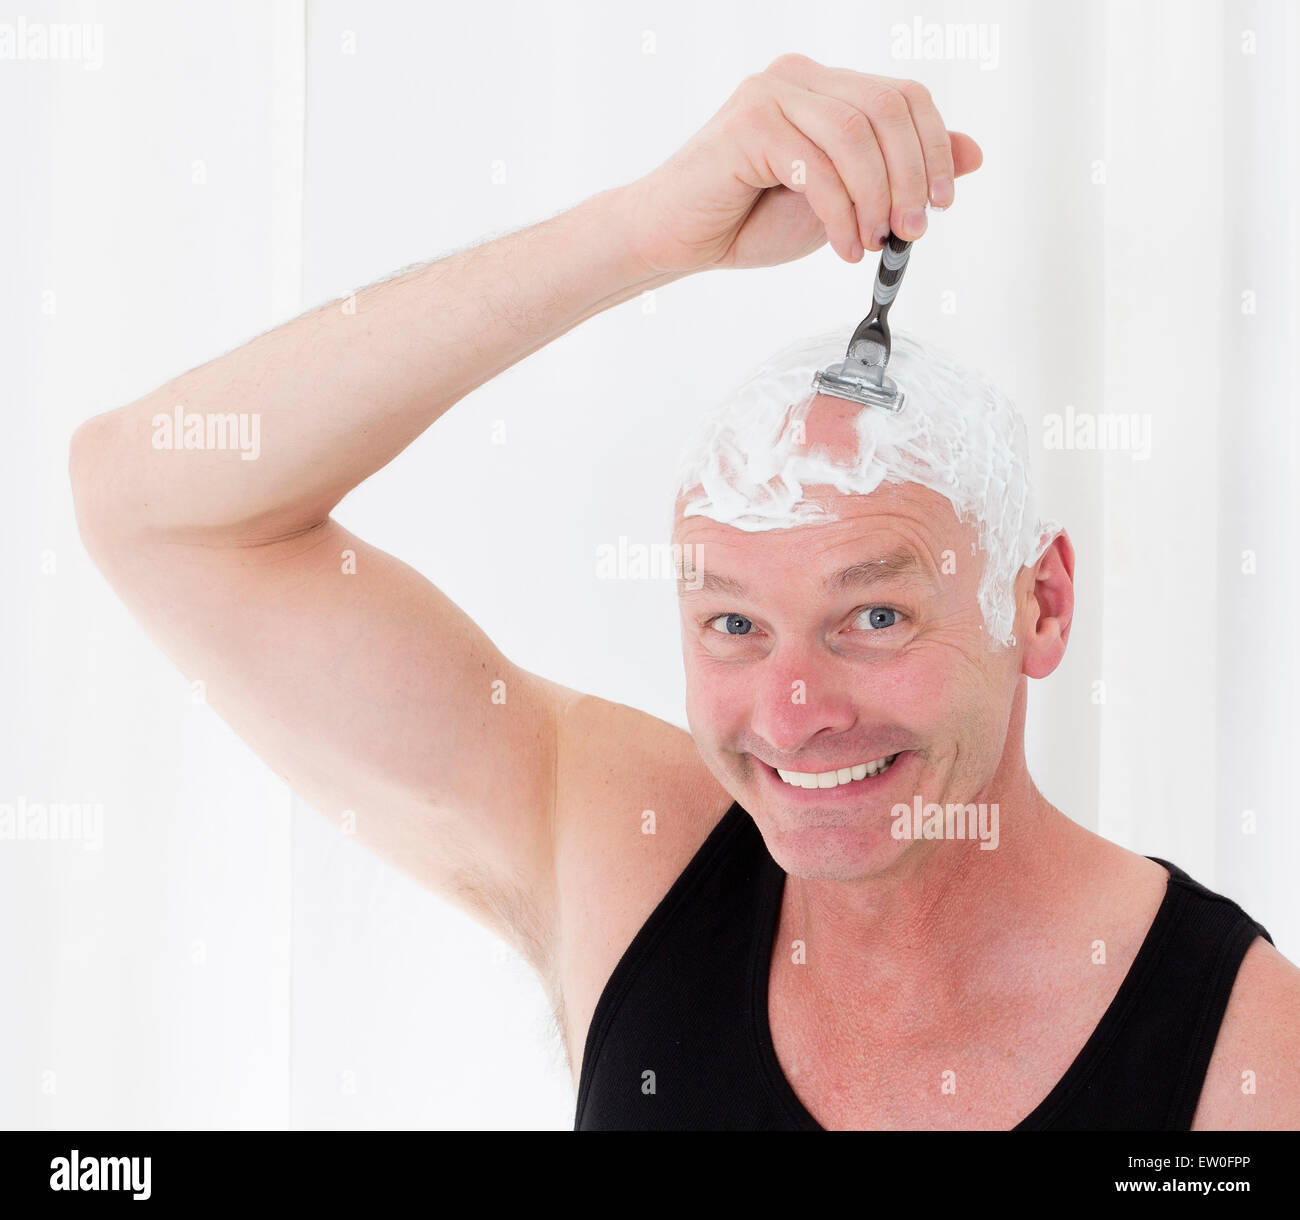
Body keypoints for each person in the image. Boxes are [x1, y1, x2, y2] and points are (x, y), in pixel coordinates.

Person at [69, 53, 1299, 1130]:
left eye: (874, 614)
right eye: (732, 623)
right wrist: (644, 233)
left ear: (1038, 607)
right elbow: (159, 507)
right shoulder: (624, 855)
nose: (795, 706)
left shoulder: (1240, 1046)